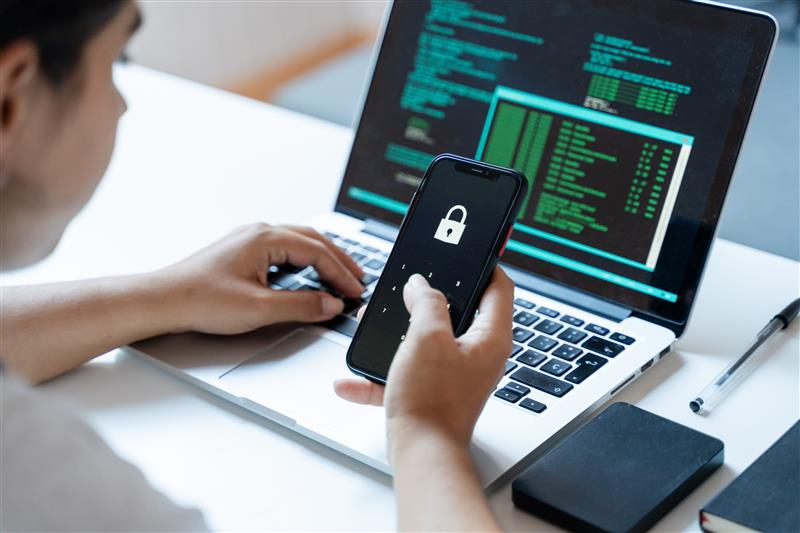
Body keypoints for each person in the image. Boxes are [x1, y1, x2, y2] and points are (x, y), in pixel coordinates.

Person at [0, 1, 514, 530]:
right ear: (10, 101)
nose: (123, 106)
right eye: (117, 62)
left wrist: (166, 296)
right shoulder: (34, 474)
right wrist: (427, 430)